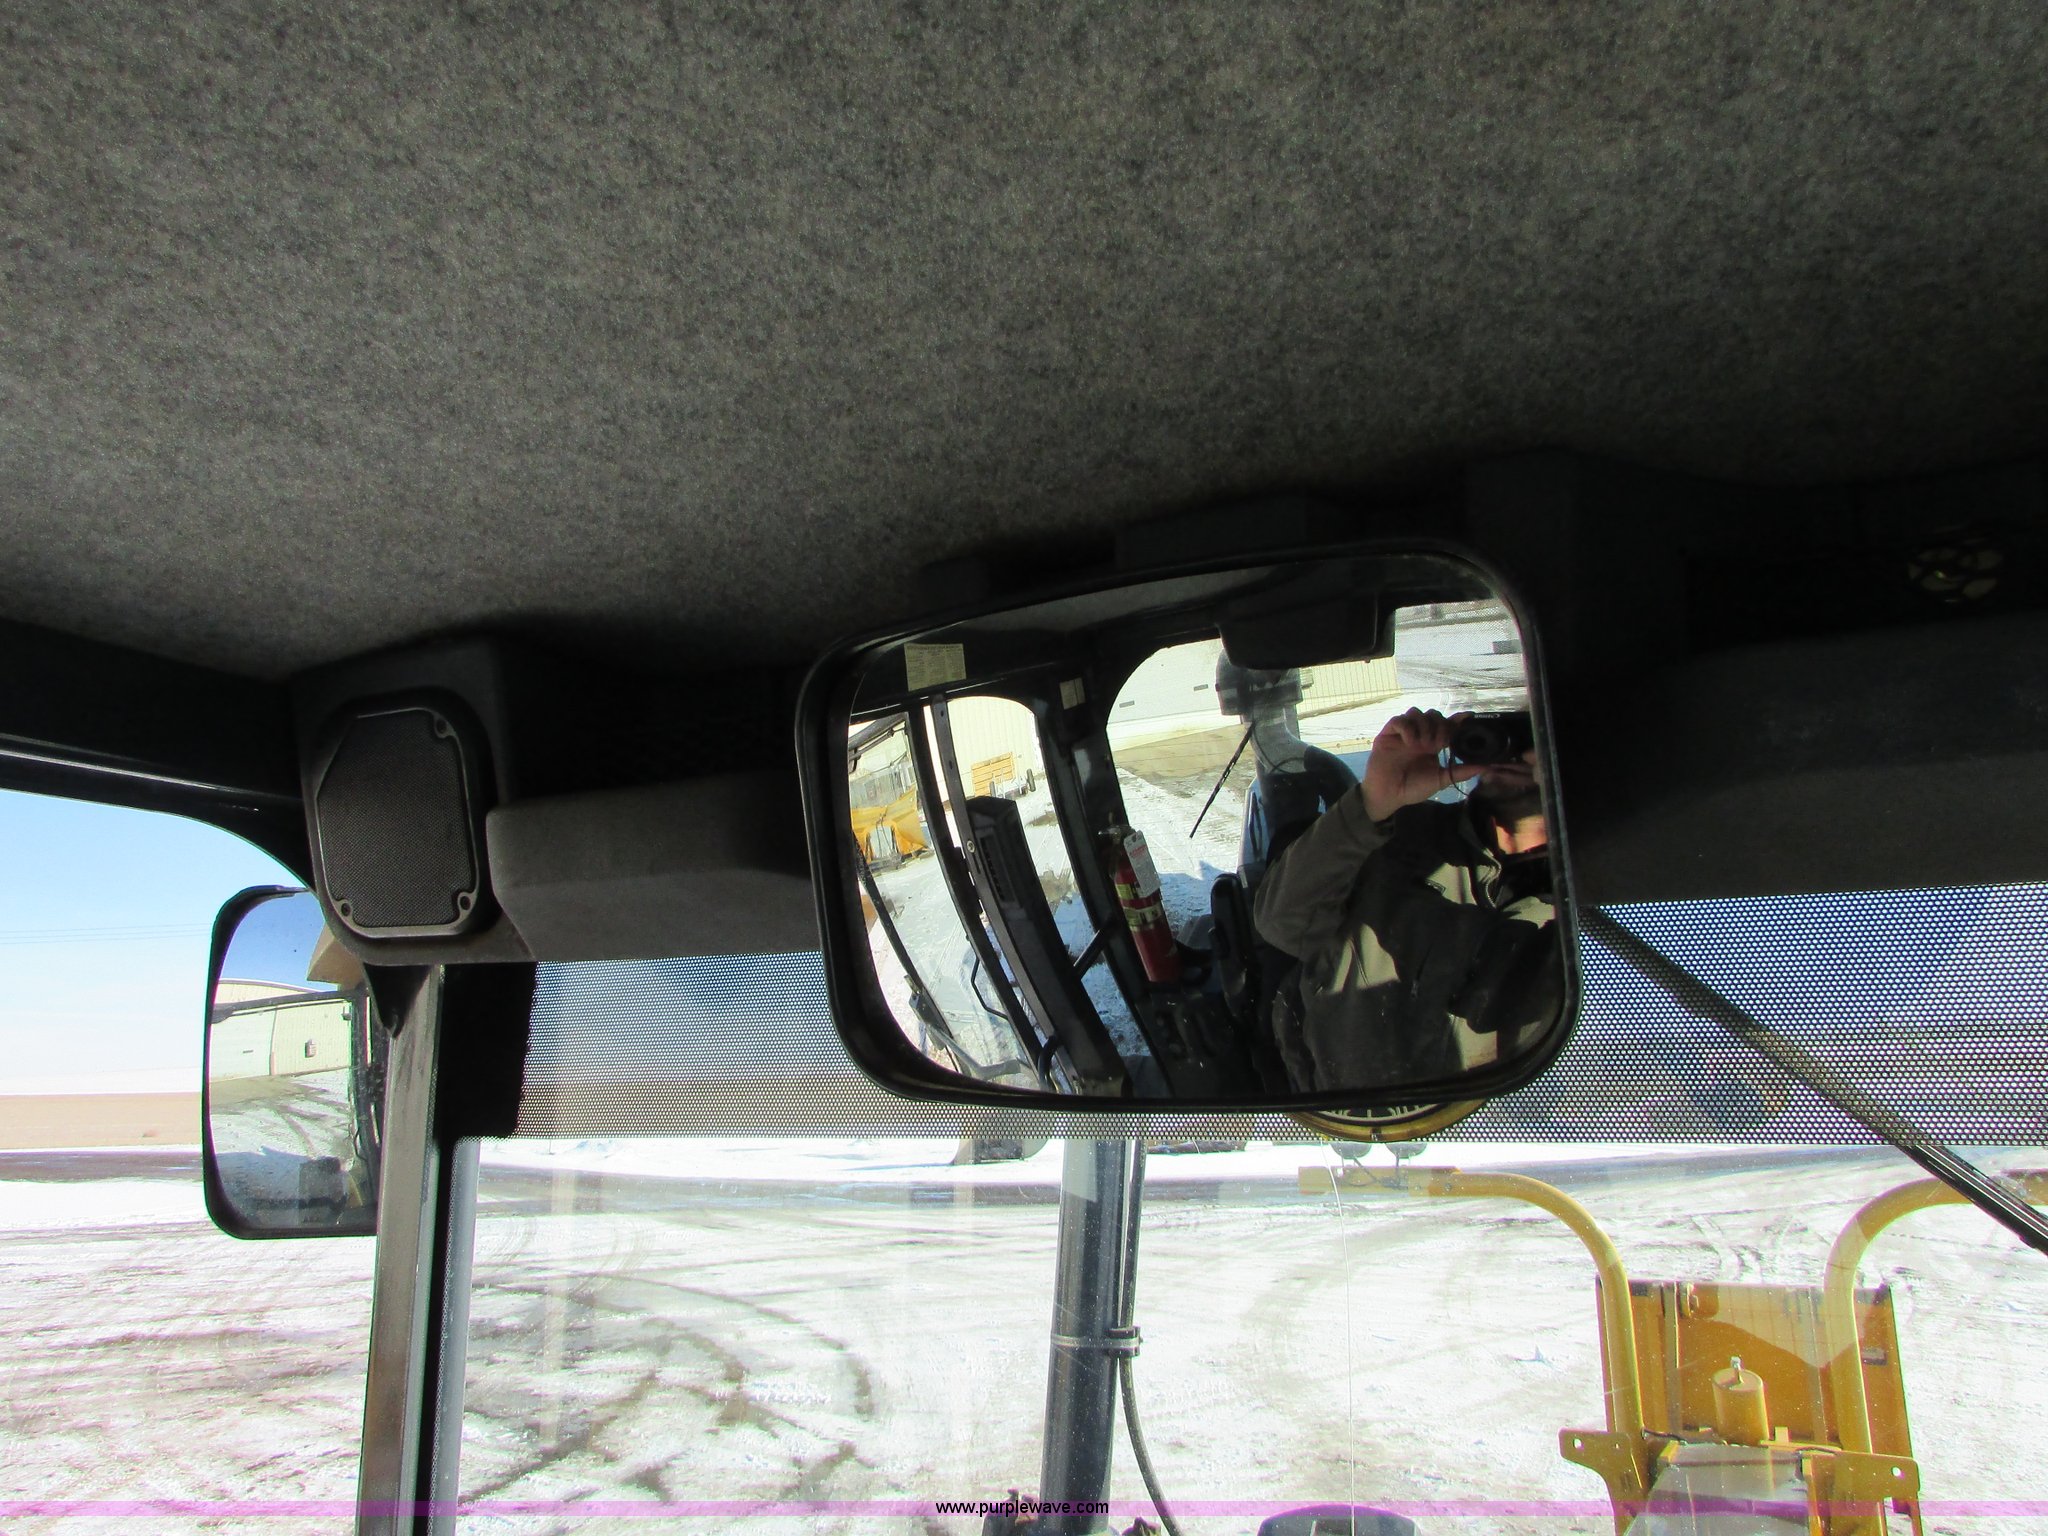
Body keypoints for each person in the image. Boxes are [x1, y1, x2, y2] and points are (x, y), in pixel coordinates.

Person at [1251, 706, 1562, 1091]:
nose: (1511, 754)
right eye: (1501, 738)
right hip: (1352, 1116)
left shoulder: (1595, 888)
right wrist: (1373, 802)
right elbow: (1281, 924)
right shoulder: (1392, 836)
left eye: (1537, 742)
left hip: (1503, 1123)